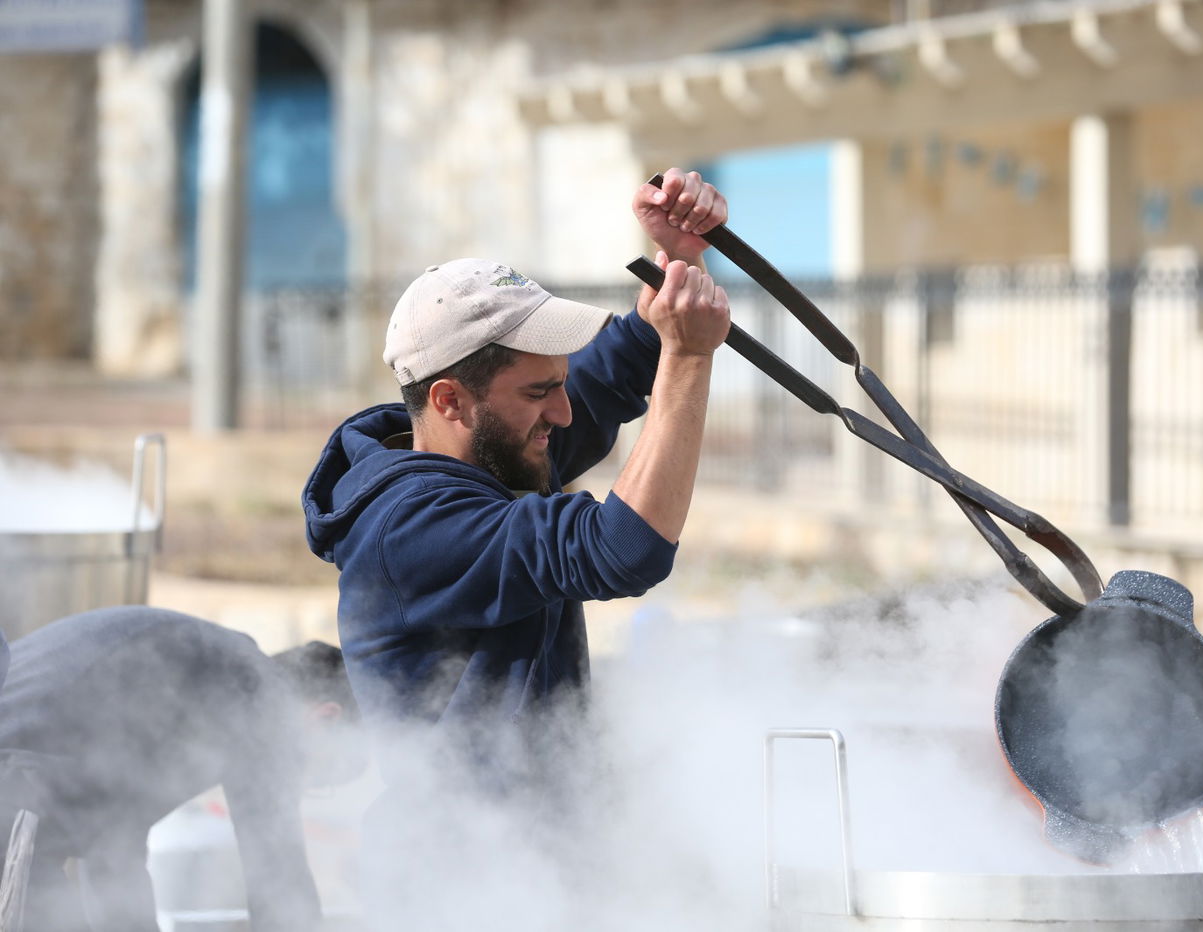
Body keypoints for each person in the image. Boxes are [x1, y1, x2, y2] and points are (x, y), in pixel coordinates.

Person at [301, 168, 731, 919]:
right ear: (450, 400)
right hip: (456, 891)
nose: (563, 414)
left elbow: (613, 374)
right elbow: (622, 549)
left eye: (556, 385)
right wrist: (689, 360)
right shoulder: (414, 526)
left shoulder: (490, 455)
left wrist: (679, 258)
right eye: (539, 393)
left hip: (530, 872)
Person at [0, 605, 364, 932]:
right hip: (16, 793)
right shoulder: (263, 698)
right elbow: (280, 884)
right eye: (324, 776)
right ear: (326, 718)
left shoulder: (214, 679)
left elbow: (113, 852)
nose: (302, 784)